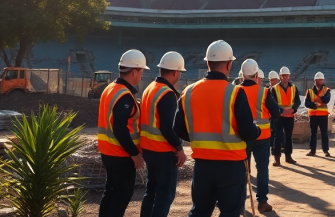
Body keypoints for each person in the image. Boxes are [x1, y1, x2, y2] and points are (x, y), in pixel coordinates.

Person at [173, 40, 262, 217]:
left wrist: (198, 138)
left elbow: (178, 128)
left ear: (207, 63)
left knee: (199, 212)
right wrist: (257, 131)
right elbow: (248, 132)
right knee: (230, 213)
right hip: (231, 166)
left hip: (202, 166)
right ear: (230, 64)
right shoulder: (235, 93)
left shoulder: (188, 92)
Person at [98, 49, 147, 217]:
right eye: (141, 71)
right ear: (134, 71)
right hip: (121, 155)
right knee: (121, 196)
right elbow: (120, 127)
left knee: (110, 193)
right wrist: (134, 154)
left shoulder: (110, 88)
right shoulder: (124, 95)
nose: (141, 75)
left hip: (108, 152)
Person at [139, 51, 188, 217]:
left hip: (148, 149)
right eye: (180, 72)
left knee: (151, 191)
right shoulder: (167, 93)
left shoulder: (149, 89)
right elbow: (168, 128)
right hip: (163, 152)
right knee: (165, 195)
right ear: (175, 72)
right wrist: (179, 148)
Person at [239, 60, 282, 213]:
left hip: (242, 138)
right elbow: (276, 113)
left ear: (242, 75)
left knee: (242, 170)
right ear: (256, 74)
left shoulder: (235, 91)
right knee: (262, 169)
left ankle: (239, 203)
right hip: (262, 137)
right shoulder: (264, 92)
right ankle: (262, 202)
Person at [272, 66, 300, 166]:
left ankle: (288, 156)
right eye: (283, 76)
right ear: (280, 76)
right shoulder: (274, 89)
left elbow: (297, 101)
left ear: (289, 76)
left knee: (288, 137)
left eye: (286, 76)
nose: (285, 78)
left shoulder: (294, 88)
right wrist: (281, 111)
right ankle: (277, 158)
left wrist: (294, 109)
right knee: (278, 137)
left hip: (290, 117)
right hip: (279, 117)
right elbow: (272, 103)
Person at [305, 72, 332, 157]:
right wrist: (315, 104)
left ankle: (326, 150)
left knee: (324, 133)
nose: (322, 81)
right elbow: (306, 103)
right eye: (320, 80)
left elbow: (326, 100)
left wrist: (315, 100)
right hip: (313, 115)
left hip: (323, 115)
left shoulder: (327, 90)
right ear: (316, 80)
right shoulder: (309, 91)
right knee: (313, 133)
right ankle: (312, 150)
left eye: (322, 79)